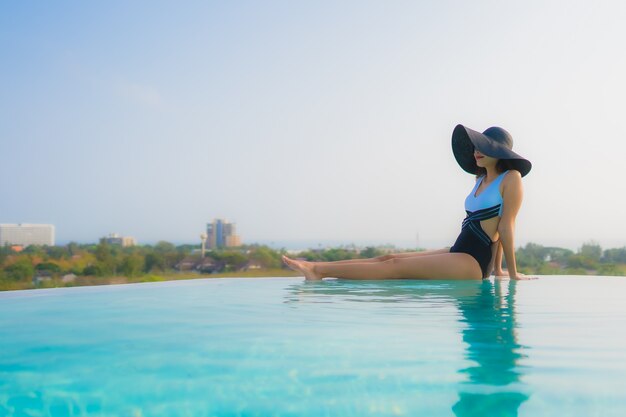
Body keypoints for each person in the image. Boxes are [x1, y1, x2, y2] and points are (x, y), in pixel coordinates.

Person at [282, 124, 533, 281]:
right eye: (476, 147)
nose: (476, 151)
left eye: (484, 147)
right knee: (388, 257)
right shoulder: (480, 180)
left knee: (395, 266)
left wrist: (507, 273)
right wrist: (498, 270)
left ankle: (317, 271)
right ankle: (317, 266)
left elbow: (505, 227)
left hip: (474, 261)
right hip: (459, 250)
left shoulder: (511, 178)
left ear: (499, 153)